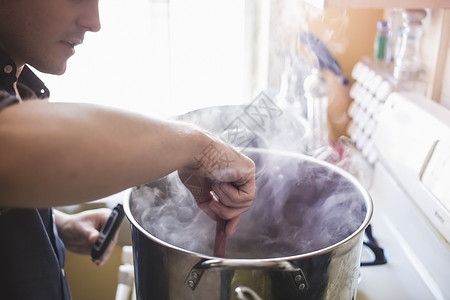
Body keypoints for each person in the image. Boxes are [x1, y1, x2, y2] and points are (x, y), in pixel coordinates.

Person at [0, 0, 256, 299]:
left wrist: (55, 225)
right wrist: (198, 147)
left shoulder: (17, 83)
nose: (93, 21)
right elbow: (12, 149)